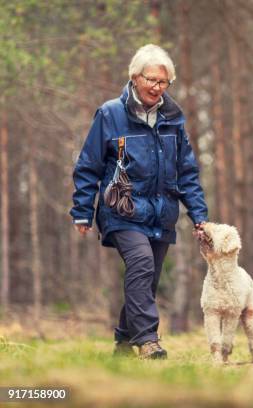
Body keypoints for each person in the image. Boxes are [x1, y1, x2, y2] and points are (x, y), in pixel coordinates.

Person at [70, 44, 208, 359]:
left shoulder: (174, 118)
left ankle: (122, 342)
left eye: (164, 83)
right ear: (135, 77)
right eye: (152, 80)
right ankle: (147, 341)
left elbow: (186, 171)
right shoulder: (110, 114)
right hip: (122, 210)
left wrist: (199, 215)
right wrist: (82, 212)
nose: (157, 88)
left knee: (146, 280)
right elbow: (88, 166)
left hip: (161, 213)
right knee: (142, 265)